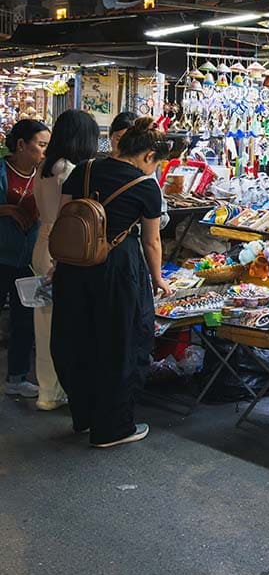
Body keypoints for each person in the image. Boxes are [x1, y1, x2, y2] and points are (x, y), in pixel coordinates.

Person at [51, 118, 172, 447]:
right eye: (156, 163)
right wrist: (158, 278)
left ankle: (85, 417)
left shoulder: (84, 169)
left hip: (73, 265)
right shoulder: (146, 187)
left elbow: (65, 219)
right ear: (147, 155)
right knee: (120, 343)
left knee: (77, 338)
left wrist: (57, 263)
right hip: (118, 270)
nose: (154, 169)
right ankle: (113, 428)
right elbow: (152, 242)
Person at [31, 110, 99, 410]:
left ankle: (48, 392)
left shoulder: (44, 166)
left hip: (42, 242)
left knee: (43, 321)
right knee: (66, 323)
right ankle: (67, 388)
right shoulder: (69, 170)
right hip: (64, 247)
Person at [1, 120, 50, 398]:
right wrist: (7, 210)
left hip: (30, 258)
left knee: (24, 318)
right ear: (21, 144)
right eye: (41, 145)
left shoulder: (44, 174)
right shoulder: (2, 169)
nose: (44, 152)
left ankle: (17, 377)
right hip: (1, 255)